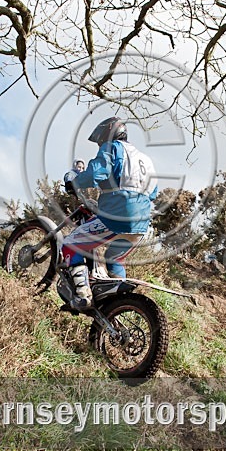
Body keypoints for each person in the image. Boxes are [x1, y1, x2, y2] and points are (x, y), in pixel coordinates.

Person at [60, 117, 158, 310]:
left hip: (118, 212)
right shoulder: (145, 159)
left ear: (108, 133)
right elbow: (153, 193)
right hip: (141, 220)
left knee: (71, 245)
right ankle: (115, 303)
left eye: (100, 139)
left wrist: (75, 181)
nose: (99, 144)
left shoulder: (112, 147)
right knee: (114, 258)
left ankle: (82, 296)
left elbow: (97, 172)